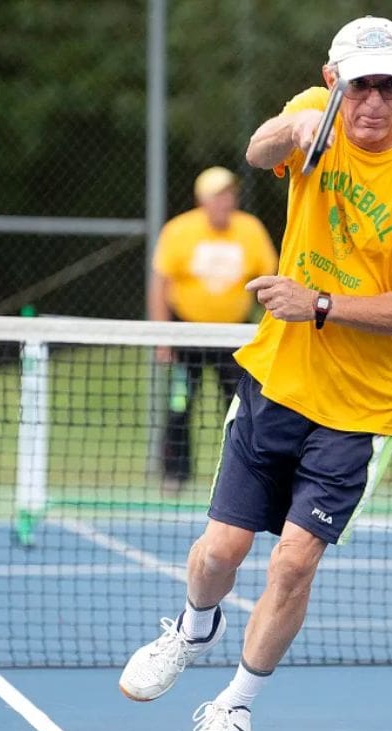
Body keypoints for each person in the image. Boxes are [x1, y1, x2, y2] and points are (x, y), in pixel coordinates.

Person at [119, 15, 392, 731]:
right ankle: (192, 626)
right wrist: (299, 128)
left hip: (360, 408)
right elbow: (256, 150)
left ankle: (234, 708)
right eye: (359, 85)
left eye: (390, 85)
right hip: (276, 378)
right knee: (220, 553)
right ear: (332, 78)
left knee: (293, 561)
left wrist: (320, 304)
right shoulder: (315, 118)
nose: (374, 101)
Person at [147, 166, 278, 494]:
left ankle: (240, 474)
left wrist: (270, 331)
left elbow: (271, 279)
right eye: (218, 195)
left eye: (230, 194)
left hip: (232, 336)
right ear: (202, 199)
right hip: (186, 335)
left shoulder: (250, 230)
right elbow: (160, 284)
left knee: (239, 405)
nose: (225, 201)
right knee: (180, 404)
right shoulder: (180, 230)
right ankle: (175, 473)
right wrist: (163, 337)